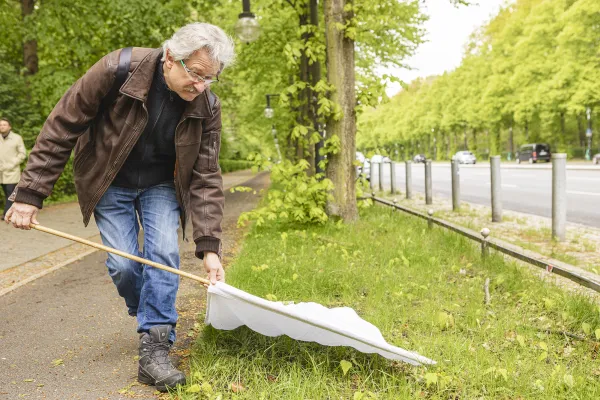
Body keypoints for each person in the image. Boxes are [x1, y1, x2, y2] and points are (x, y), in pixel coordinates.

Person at [4, 23, 234, 392]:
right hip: (108, 179)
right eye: (197, 75)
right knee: (124, 265)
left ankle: (155, 348)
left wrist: (209, 247)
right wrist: (29, 195)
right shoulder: (118, 69)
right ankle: (150, 309)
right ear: (171, 58)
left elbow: (206, 175)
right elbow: (62, 125)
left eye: (211, 79)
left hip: (162, 185)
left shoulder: (206, 105)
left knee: (162, 255)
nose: (202, 86)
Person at [0, 118, 26, 220]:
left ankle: (6, 214)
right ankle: (12, 212)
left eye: (4, 124)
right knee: (7, 194)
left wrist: (11, 164)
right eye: (0, 124)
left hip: (12, 172)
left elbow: (22, 154)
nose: (2, 126)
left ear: (9, 126)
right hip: (0, 173)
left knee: (11, 194)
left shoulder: (17, 138)